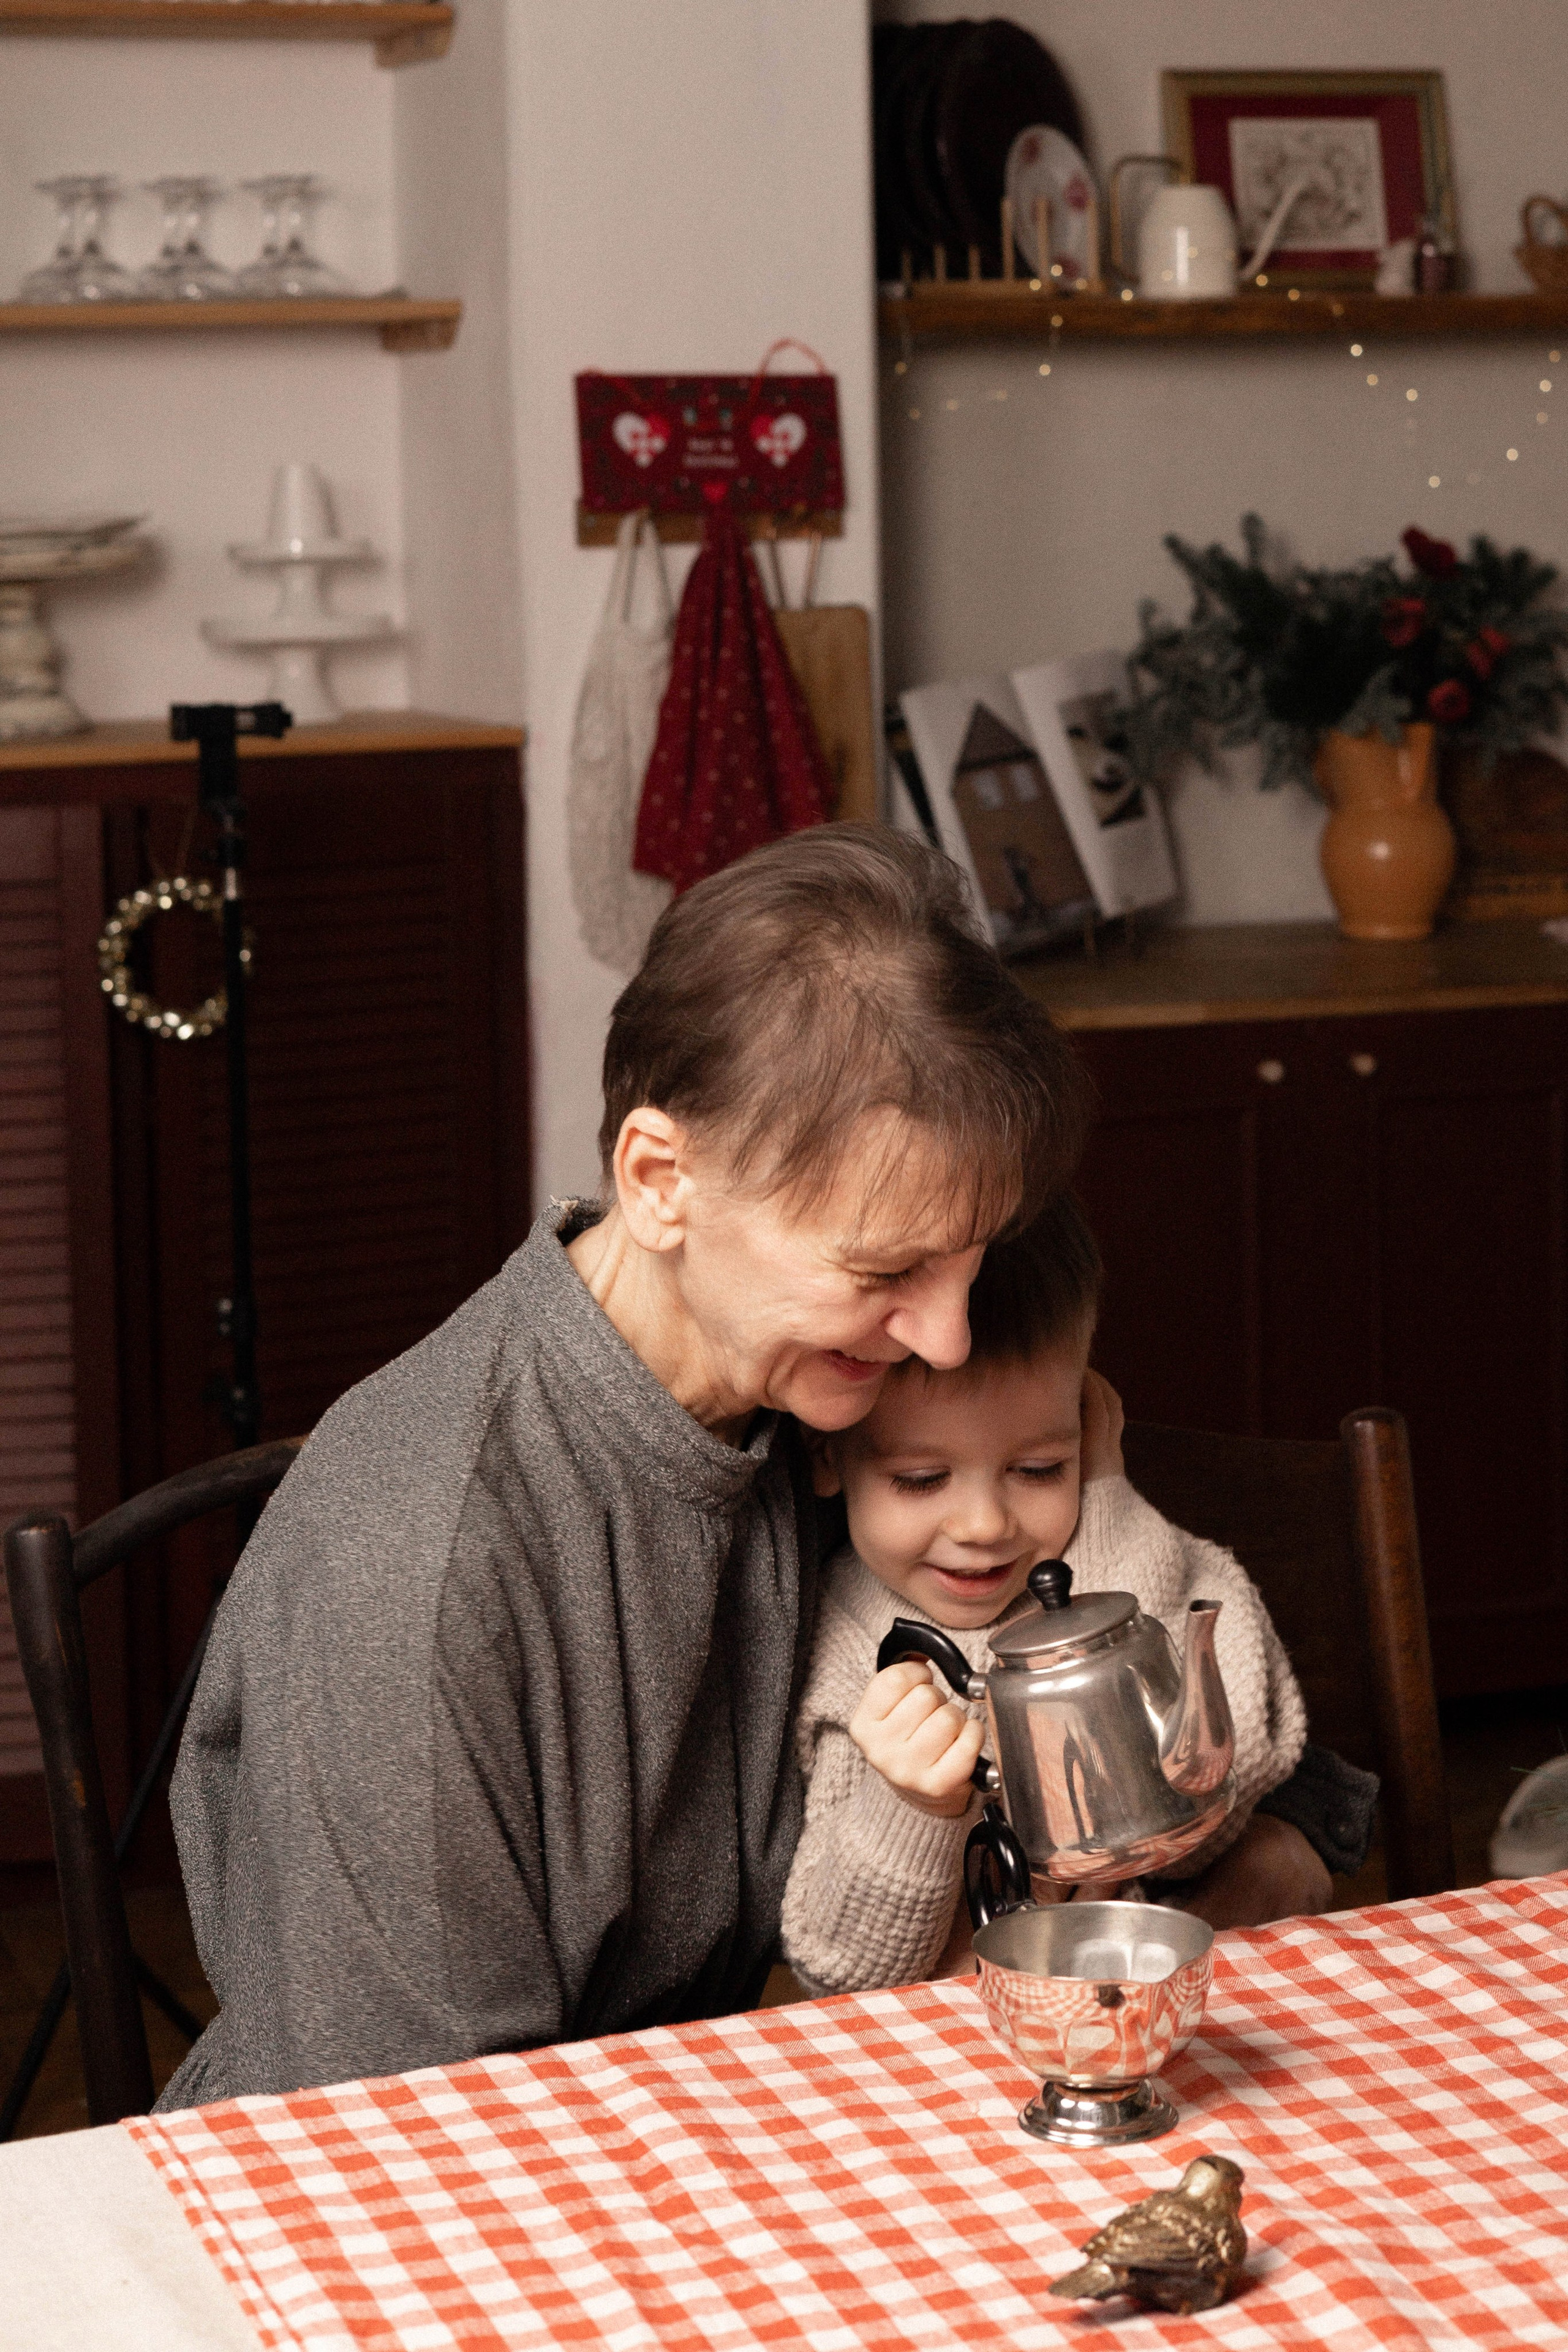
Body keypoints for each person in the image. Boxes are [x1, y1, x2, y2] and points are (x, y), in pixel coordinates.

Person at [156, 826, 1091, 2108]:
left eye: (967, 1262)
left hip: (668, 2108)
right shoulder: (423, 1558)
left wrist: (1278, 1829)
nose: (946, 1337)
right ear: (659, 1180)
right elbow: (416, 2131)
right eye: (883, 1272)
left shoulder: (815, 1385)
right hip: (408, 2177)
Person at [781, 1195, 1375, 1997]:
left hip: (1186, 1983)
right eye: (920, 1480)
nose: (985, 1525)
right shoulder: (856, 1653)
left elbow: (1207, 1828)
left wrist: (1108, 1500)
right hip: (981, 2017)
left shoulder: (1141, 1553)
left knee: (1278, 1863)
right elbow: (845, 1967)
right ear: (828, 1456)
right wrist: (911, 1805)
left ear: (1088, 1434)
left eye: (1041, 1470)